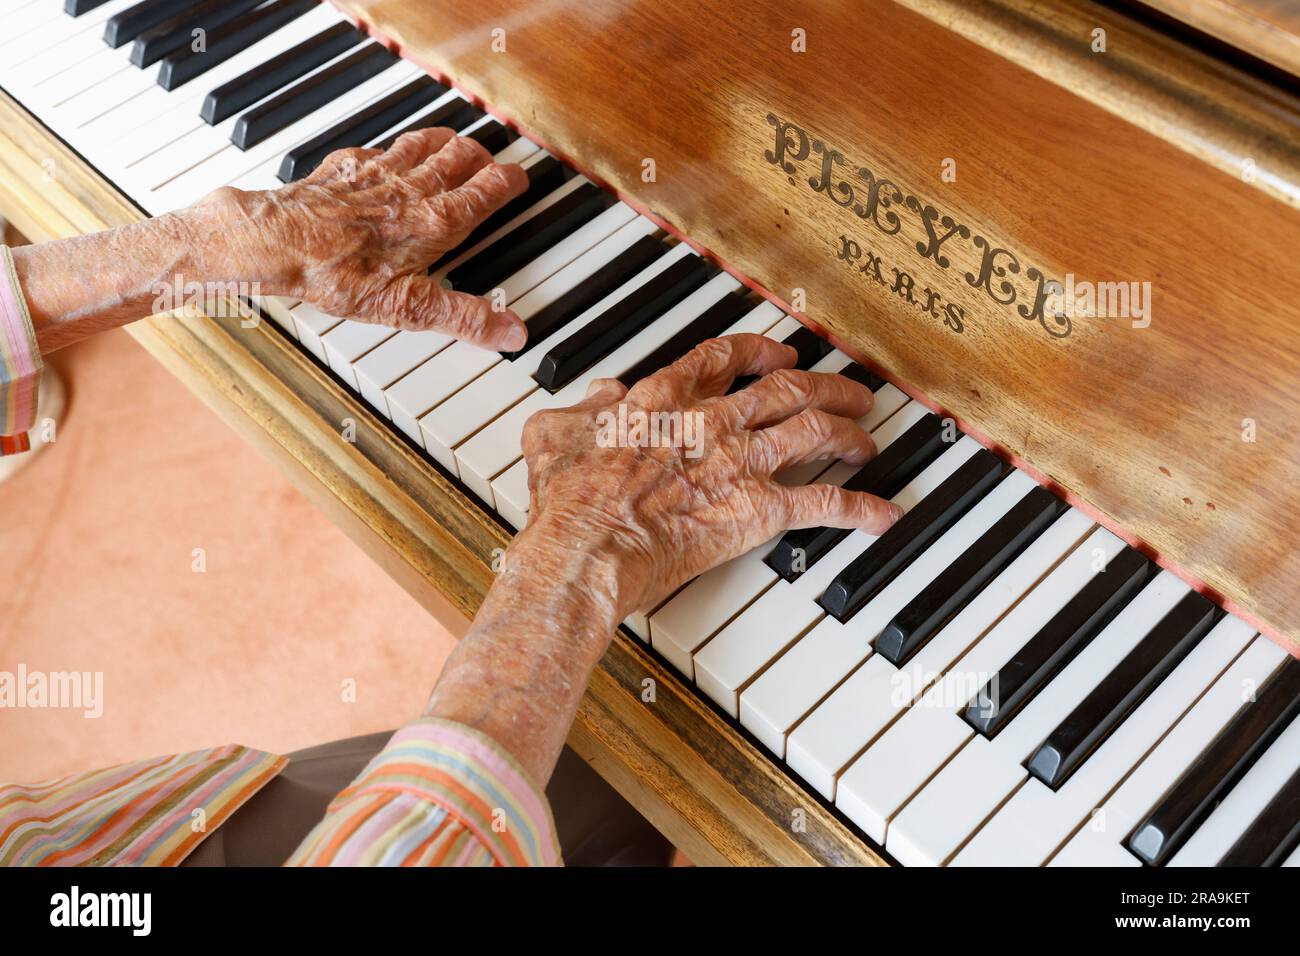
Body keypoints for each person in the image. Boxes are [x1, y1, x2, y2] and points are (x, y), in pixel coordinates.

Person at [0, 129, 900, 866]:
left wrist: (205, 244)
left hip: (118, 841)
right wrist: (576, 552)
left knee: (579, 767)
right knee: (599, 769)